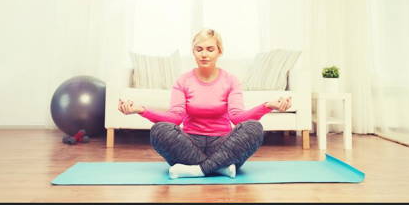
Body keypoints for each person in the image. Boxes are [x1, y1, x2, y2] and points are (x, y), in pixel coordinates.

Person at [118, 29, 292, 179]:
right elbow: (175, 117)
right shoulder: (183, 81)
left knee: (254, 127)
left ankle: (198, 170)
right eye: (199, 49)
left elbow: (238, 117)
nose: (204, 54)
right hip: (189, 145)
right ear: (193, 52)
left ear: (219, 51)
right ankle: (219, 168)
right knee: (159, 130)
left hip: (224, 145)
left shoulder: (231, 80)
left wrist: (268, 105)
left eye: (210, 49)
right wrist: (141, 110)